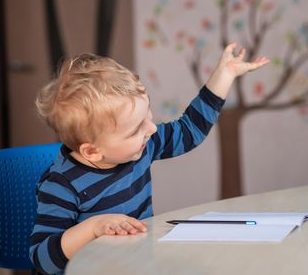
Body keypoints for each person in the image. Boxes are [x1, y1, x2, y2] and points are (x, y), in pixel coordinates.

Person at [29, 42, 269, 274]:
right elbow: (42, 260)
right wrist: (93, 228)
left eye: (148, 115)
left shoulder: (142, 147)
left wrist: (224, 75)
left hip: (137, 264)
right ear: (92, 151)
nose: (152, 129)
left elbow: (189, 131)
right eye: (135, 129)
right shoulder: (61, 185)